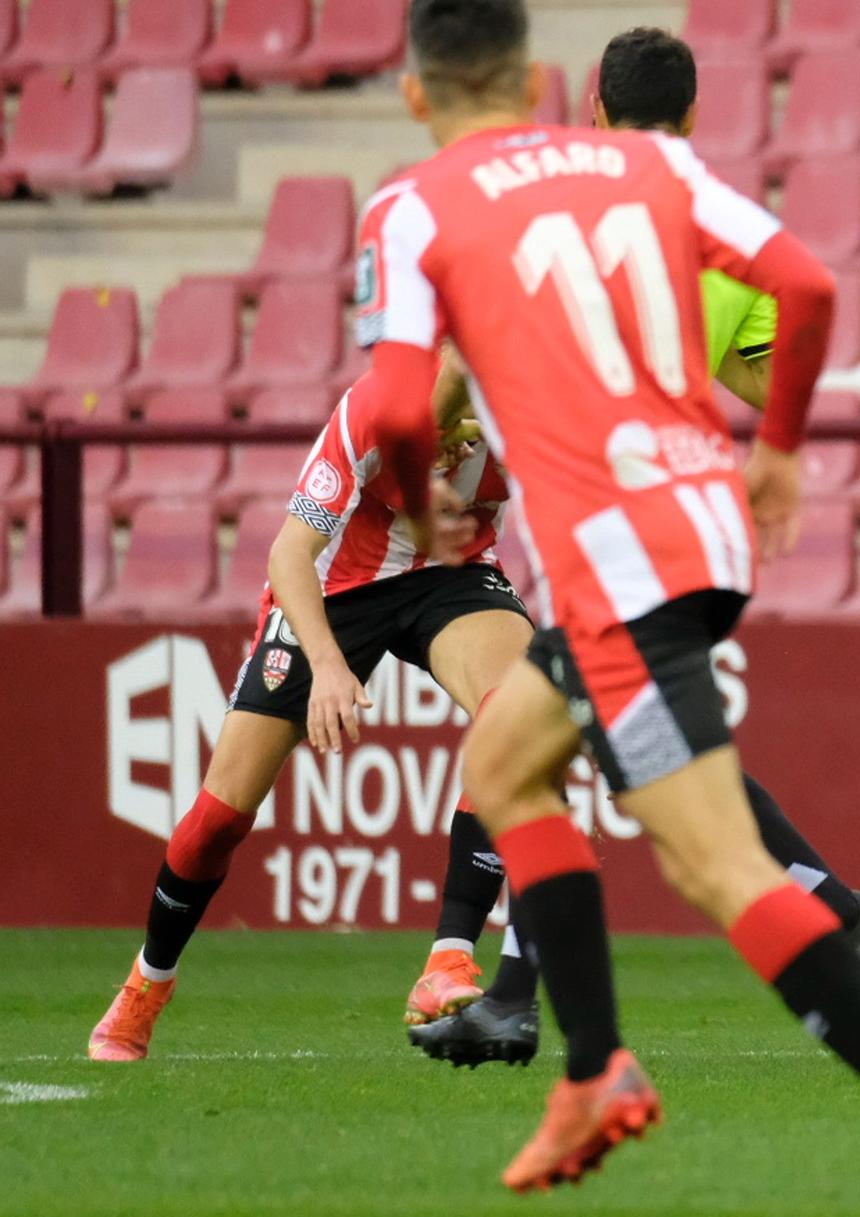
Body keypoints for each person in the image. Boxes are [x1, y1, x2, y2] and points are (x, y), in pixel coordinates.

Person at [358, 0, 860, 1216]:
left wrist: (415, 498)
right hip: (702, 528)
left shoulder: (414, 204)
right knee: (505, 768)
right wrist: (781, 446)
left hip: (618, 561)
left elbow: (394, 406)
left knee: (713, 866)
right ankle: (590, 1069)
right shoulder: (651, 171)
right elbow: (806, 289)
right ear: (536, 77)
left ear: (414, 89)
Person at [413, 25, 860, 1070]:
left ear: (589, 111)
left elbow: (472, 346)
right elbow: (778, 377)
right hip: (667, 528)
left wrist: (440, 433)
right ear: (690, 119)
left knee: (622, 777)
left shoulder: (551, 213)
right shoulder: (702, 233)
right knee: (578, 750)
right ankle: (529, 1001)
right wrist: (765, 446)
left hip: (608, 539)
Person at [87, 362, 529, 1061]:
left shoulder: (535, 400)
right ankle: (149, 979)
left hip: (454, 575)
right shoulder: (378, 405)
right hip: (339, 586)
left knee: (524, 712)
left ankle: (447, 960)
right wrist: (326, 663)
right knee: (217, 821)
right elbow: (291, 551)